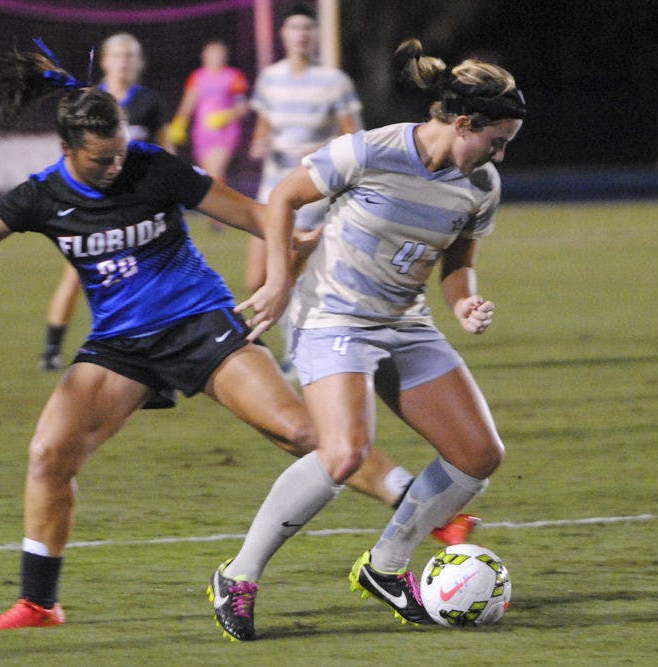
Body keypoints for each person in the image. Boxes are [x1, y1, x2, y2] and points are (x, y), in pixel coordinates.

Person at [0, 45, 420, 632]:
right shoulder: (42, 195)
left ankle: (419, 505)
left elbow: (256, 215)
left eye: (117, 153)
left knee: (301, 431)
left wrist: (289, 256)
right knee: (48, 455)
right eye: (99, 160)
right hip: (121, 345)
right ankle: (39, 604)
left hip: (197, 321)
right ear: (66, 150)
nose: (114, 166)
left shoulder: (152, 165)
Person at [207, 39, 526, 641]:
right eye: (496, 140)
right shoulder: (371, 150)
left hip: (405, 322)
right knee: (344, 453)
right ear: (463, 123)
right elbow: (284, 199)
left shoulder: (479, 183)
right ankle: (239, 575)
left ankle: (385, 568)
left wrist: (465, 303)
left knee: (478, 454)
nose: (500, 156)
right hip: (334, 318)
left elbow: (456, 261)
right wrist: (278, 281)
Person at [40, 32, 172, 371]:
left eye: (130, 55)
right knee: (75, 274)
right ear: (105, 61)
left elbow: (165, 152)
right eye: (117, 55)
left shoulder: (149, 102)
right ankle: (52, 348)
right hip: (97, 204)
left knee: (149, 274)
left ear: (138, 62)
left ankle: (154, 345)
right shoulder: (88, 100)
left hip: (139, 206)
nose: (124, 61)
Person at [245, 2, 363, 375]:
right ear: (284, 36)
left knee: (290, 276)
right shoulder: (269, 78)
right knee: (256, 278)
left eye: (308, 30)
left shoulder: (334, 81)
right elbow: (263, 126)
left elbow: (354, 137)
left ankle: (298, 354)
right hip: (270, 189)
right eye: (295, 29)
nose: (301, 35)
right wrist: (260, 142)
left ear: (315, 36)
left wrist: (320, 152)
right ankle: (274, 351)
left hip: (311, 192)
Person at [168, 39, 250, 191]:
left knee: (215, 172)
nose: (216, 57)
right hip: (202, 133)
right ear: (204, 56)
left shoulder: (234, 76)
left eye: (220, 53)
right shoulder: (197, 77)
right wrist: (179, 123)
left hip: (225, 132)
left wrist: (225, 116)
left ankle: (221, 211)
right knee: (208, 177)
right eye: (212, 53)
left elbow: (243, 107)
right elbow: (188, 102)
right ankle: (218, 210)